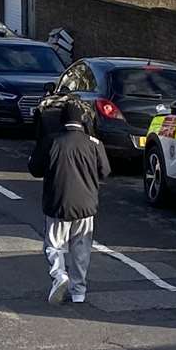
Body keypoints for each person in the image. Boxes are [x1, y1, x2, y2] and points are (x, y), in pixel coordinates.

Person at [28, 101, 111, 305]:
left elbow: (35, 169)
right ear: (82, 121)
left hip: (58, 203)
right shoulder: (94, 143)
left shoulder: (51, 141)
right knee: (81, 249)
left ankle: (59, 275)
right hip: (86, 205)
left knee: (54, 245)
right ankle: (78, 292)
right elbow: (105, 171)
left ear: (62, 120)